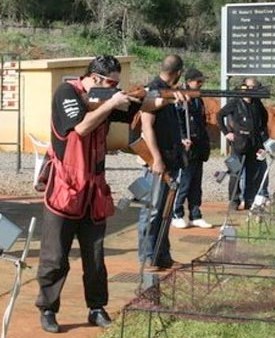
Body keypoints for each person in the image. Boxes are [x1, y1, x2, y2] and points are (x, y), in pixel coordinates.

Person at [35, 54, 185, 333]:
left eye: (117, 84)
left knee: (95, 257)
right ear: (94, 78)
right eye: (111, 83)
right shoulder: (67, 92)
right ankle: (47, 308)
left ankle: (96, 307)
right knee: (54, 256)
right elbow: (80, 128)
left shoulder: (106, 98)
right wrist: (114, 102)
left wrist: (170, 98)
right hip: (64, 188)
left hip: (93, 188)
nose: (115, 88)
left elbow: (144, 109)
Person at [138, 54, 190, 272]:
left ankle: (163, 255)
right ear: (177, 73)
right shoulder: (153, 90)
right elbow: (146, 127)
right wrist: (156, 159)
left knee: (166, 212)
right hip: (157, 163)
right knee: (151, 211)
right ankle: (148, 257)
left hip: (171, 159)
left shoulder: (165, 92)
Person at [216, 77, 269, 210]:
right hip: (238, 144)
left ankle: (249, 200)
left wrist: (263, 140)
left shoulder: (257, 103)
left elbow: (264, 120)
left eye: (255, 87)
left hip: (254, 144)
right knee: (235, 172)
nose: (252, 90)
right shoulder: (235, 102)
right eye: (250, 87)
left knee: (253, 173)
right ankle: (234, 201)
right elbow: (219, 115)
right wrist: (227, 132)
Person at [171, 68, 212, 229]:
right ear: (188, 82)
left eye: (202, 81)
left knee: (196, 184)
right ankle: (177, 214)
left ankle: (195, 214)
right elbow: (177, 120)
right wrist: (182, 138)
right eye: (198, 81)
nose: (201, 84)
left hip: (198, 147)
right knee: (184, 183)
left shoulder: (198, 99)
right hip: (186, 147)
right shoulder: (180, 98)